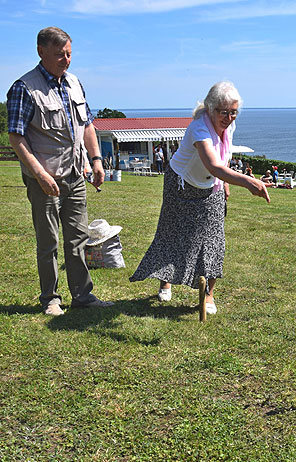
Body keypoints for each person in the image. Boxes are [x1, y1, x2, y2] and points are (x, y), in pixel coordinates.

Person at [130, 81, 270, 314]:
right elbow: (213, 164)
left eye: (233, 112)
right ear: (210, 108)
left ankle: (208, 295)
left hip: (211, 187)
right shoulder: (198, 128)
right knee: (172, 234)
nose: (229, 117)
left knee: (215, 239)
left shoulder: (228, 126)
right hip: (180, 185)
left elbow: (223, 158)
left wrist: (225, 183)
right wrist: (248, 181)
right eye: (223, 112)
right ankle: (165, 281)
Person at [7, 27, 113, 316]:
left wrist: (96, 160)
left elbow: (88, 125)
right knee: (49, 241)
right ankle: (51, 299)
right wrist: (40, 174)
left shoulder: (74, 83)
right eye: (59, 55)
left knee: (78, 238)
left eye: (69, 54)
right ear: (41, 52)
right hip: (45, 180)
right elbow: (16, 137)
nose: (66, 60)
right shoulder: (24, 88)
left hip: (76, 176)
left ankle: (83, 296)